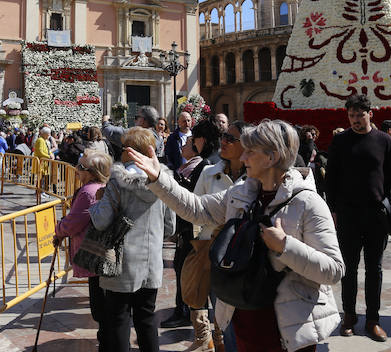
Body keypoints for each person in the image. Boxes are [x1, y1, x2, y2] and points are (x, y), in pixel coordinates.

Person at [128, 119, 344, 352]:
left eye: (250, 151)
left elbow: (334, 270)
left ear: (271, 157)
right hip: (242, 319)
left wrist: (285, 246)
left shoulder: (308, 203)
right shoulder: (243, 192)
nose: (243, 158)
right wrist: (158, 178)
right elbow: (198, 209)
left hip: (288, 329)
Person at [88, 127, 175, 352]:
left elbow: (101, 221)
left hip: (121, 263)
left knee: (119, 319)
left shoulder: (116, 182)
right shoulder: (162, 181)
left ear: (129, 150)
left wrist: (96, 204)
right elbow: (170, 226)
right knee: (147, 320)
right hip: (151, 262)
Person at [325, 94, 391, 342]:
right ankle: (349, 315)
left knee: (374, 268)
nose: (355, 120)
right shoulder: (340, 141)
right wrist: (333, 210)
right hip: (348, 214)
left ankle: (373, 319)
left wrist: (389, 205)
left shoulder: (384, 141)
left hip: (376, 215)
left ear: (370, 114)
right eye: (351, 116)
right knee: (348, 267)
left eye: (360, 115)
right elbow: (332, 179)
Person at [192, 120, 248, 352]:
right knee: (222, 312)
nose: (223, 142)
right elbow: (194, 211)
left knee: (245, 317)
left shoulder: (256, 175)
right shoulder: (208, 172)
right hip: (216, 252)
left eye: (230, 139)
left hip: (247, 256)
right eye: (224, 137)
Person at [162, 119, 220, 342]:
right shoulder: (212, 163)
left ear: (201, 140)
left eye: (193, 139)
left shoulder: (207, 166)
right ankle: (208, 336)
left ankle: (207, 335)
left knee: (197, 282)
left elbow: (194, 201)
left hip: (199, 235)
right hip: (204, 234)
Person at [54, 151, 113, 350]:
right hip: (102, 253)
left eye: (81, 167)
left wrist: (59, 228)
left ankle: (106, 341)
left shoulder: (89, 192)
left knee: (100, 306)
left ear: (92, 172)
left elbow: (73, 223)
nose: (77, 170)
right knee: (104, 302)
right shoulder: (104, 188)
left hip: (92, 253)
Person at [34, 126, 54, 204]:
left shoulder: (44, 140)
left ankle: (41, 191)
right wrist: (48, 156)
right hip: (41, 162)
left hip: (44, 163)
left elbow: (47, 151)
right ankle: (38, 192)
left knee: (42, 178)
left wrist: (51, 155)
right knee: (40, 178)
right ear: (44, 134)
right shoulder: (40, 140)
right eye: (48, 134)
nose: (49, 135)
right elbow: (40, 151)